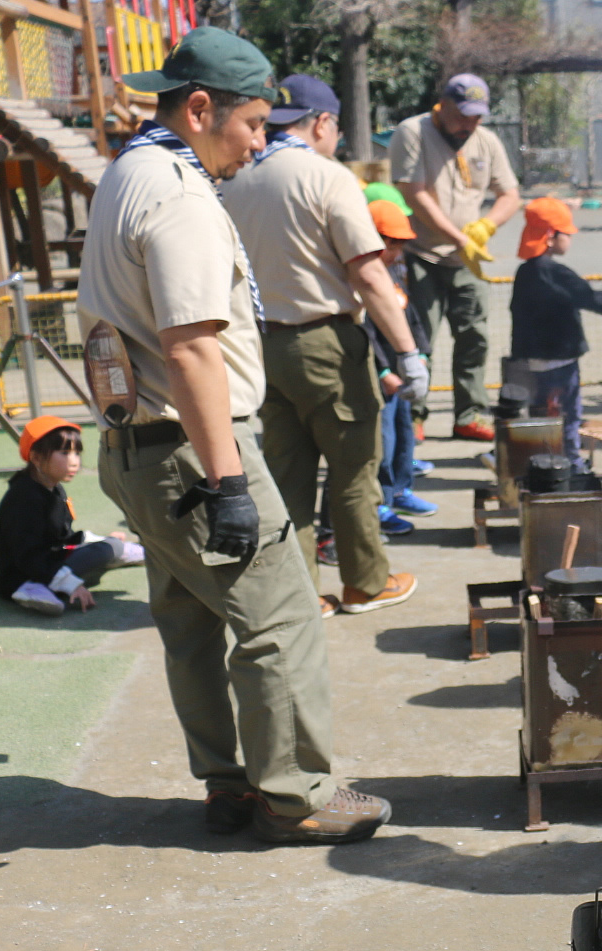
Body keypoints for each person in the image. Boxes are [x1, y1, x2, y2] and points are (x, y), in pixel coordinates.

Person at [80, 26, 389, 844]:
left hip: (136, 443)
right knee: (282, 618)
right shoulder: (178, 194)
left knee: (189, 620)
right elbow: (190, 346)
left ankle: (229, 784)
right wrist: (227, 482)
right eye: (254, 123)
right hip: (192, 445)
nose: (261, 142)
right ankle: (296, 796)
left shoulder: (130, 170)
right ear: (201, 107)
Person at [227, 73, 425, 619]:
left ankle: (301, 592)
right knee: (354, 468)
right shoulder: (326, 177)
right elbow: (367, 273)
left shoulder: (236, 178)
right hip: (326, 342)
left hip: (262, 344)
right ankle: (365, 582)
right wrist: (407, 352)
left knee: (286, 475)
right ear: (322, 123)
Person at [389, 72, 521, 442]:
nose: (469, 124)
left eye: (477, 116)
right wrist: (458, 236)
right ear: (443, 104)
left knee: (474, 337)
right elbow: (414, 192)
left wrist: (485, 229)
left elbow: (510, 195)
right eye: (462, 115)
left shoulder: (487, 141)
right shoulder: (412, 132)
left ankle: (470, 413)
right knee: (417, 339)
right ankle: (412, 414)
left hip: (467, 258)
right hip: (420, 253)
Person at [509, 198, 602, 469]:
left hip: (531, 360)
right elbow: (588, 296)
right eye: (566, 233)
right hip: (559, 360)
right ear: (550, 236)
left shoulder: (526, 271)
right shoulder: (554, 271)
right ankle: (569, 462)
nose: (570, 238)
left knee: (544, 413)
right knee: (567, 414)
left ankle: (542, 459)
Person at [0, 415, 145, 615]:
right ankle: (32, 589)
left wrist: (101, 540)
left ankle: (116, 552)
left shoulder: (53, 489)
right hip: (19, 576)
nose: (74, 462)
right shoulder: (24, 498)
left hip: (47, 562)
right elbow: (28, 556)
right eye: (64, 453)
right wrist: (72, 585)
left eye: (76, 453)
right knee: (105, 550)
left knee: (109, 546)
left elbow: (63, 539)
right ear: (36, 457)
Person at [362, 197, 437, 522]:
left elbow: (412, 320)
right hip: (384, 381)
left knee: (405, 435)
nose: (398, 253)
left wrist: (419, 354)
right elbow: (365, 331)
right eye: (393, 245)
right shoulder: (362, 280)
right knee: (383, 442)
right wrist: (383, 370)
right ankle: (381, 501)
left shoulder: (393, 276)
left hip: (403, 376)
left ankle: (402, 490)